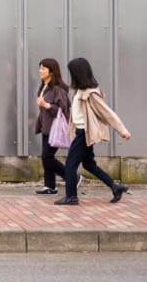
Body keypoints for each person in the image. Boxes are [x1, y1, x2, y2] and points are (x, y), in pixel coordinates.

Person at [55, 57, 131, 205]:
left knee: (70, 164)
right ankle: (115, 186)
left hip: (84, 134)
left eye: (72, 72)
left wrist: (122, 130)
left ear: (77, 73)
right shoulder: (79, 91)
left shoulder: (90, 93)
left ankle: (71, 196)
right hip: (81, 132)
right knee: (88, 164)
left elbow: (107, 112)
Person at [33, 58, 69, 195]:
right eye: (40, 67)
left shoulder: (58, 89)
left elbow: (64, 109)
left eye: (43, 68)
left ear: (52, 71)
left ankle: (72, 177)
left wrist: (46, 105)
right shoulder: (43, 87)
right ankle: (50, 186)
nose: (40, 70)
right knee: (46, 157)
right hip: (46, 127)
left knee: (47, 157)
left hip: (55, 127)